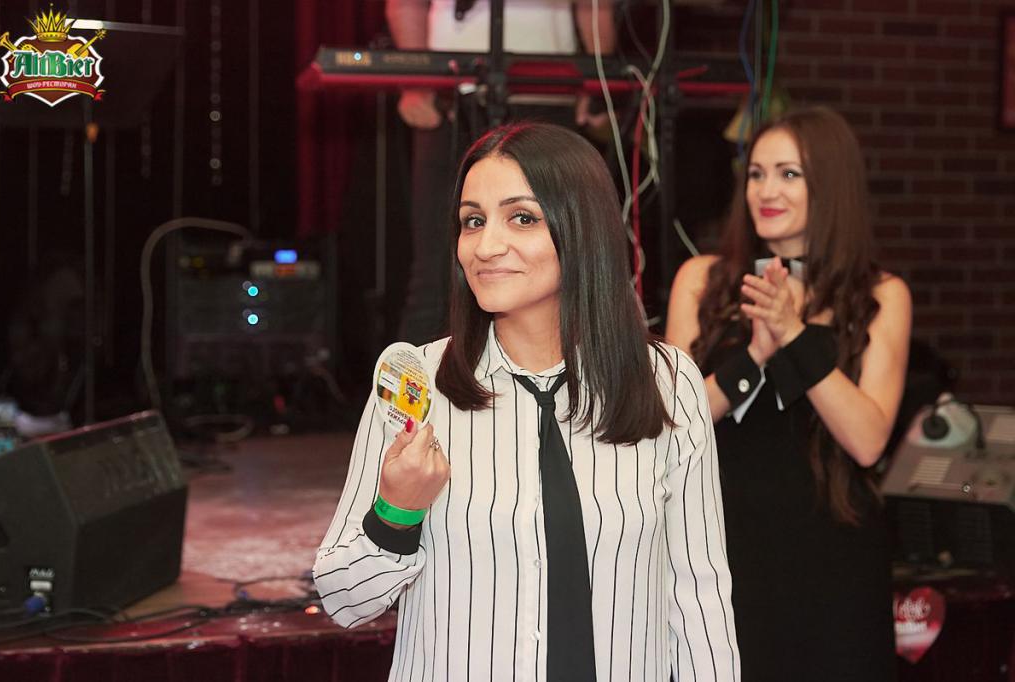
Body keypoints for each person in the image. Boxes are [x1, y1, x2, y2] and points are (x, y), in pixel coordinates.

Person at [315, 122, 739, 681]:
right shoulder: (418, 385)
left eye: (522, 218)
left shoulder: (667, 381)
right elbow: (344, 600)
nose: (486, 246)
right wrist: (398, 511)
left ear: (582, 227)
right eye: (473, 221)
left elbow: (700, 598)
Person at [665, 106, 911, 681]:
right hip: (721, 550)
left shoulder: (879, 294)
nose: (766, 190)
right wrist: (753, 356)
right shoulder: (702, 279)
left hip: (832, 556)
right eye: (756, 174)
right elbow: (670, 424)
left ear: (830, 184)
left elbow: (868, 440)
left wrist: (794, 335)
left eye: (788, 174)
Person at [385, 0, 616, 345]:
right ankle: (424, 379)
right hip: (454, 96)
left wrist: (597, 81)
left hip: (550, 91)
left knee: (567, 257)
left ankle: (578, 373)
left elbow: (594, 6)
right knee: (437, 268)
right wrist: (417, 83)